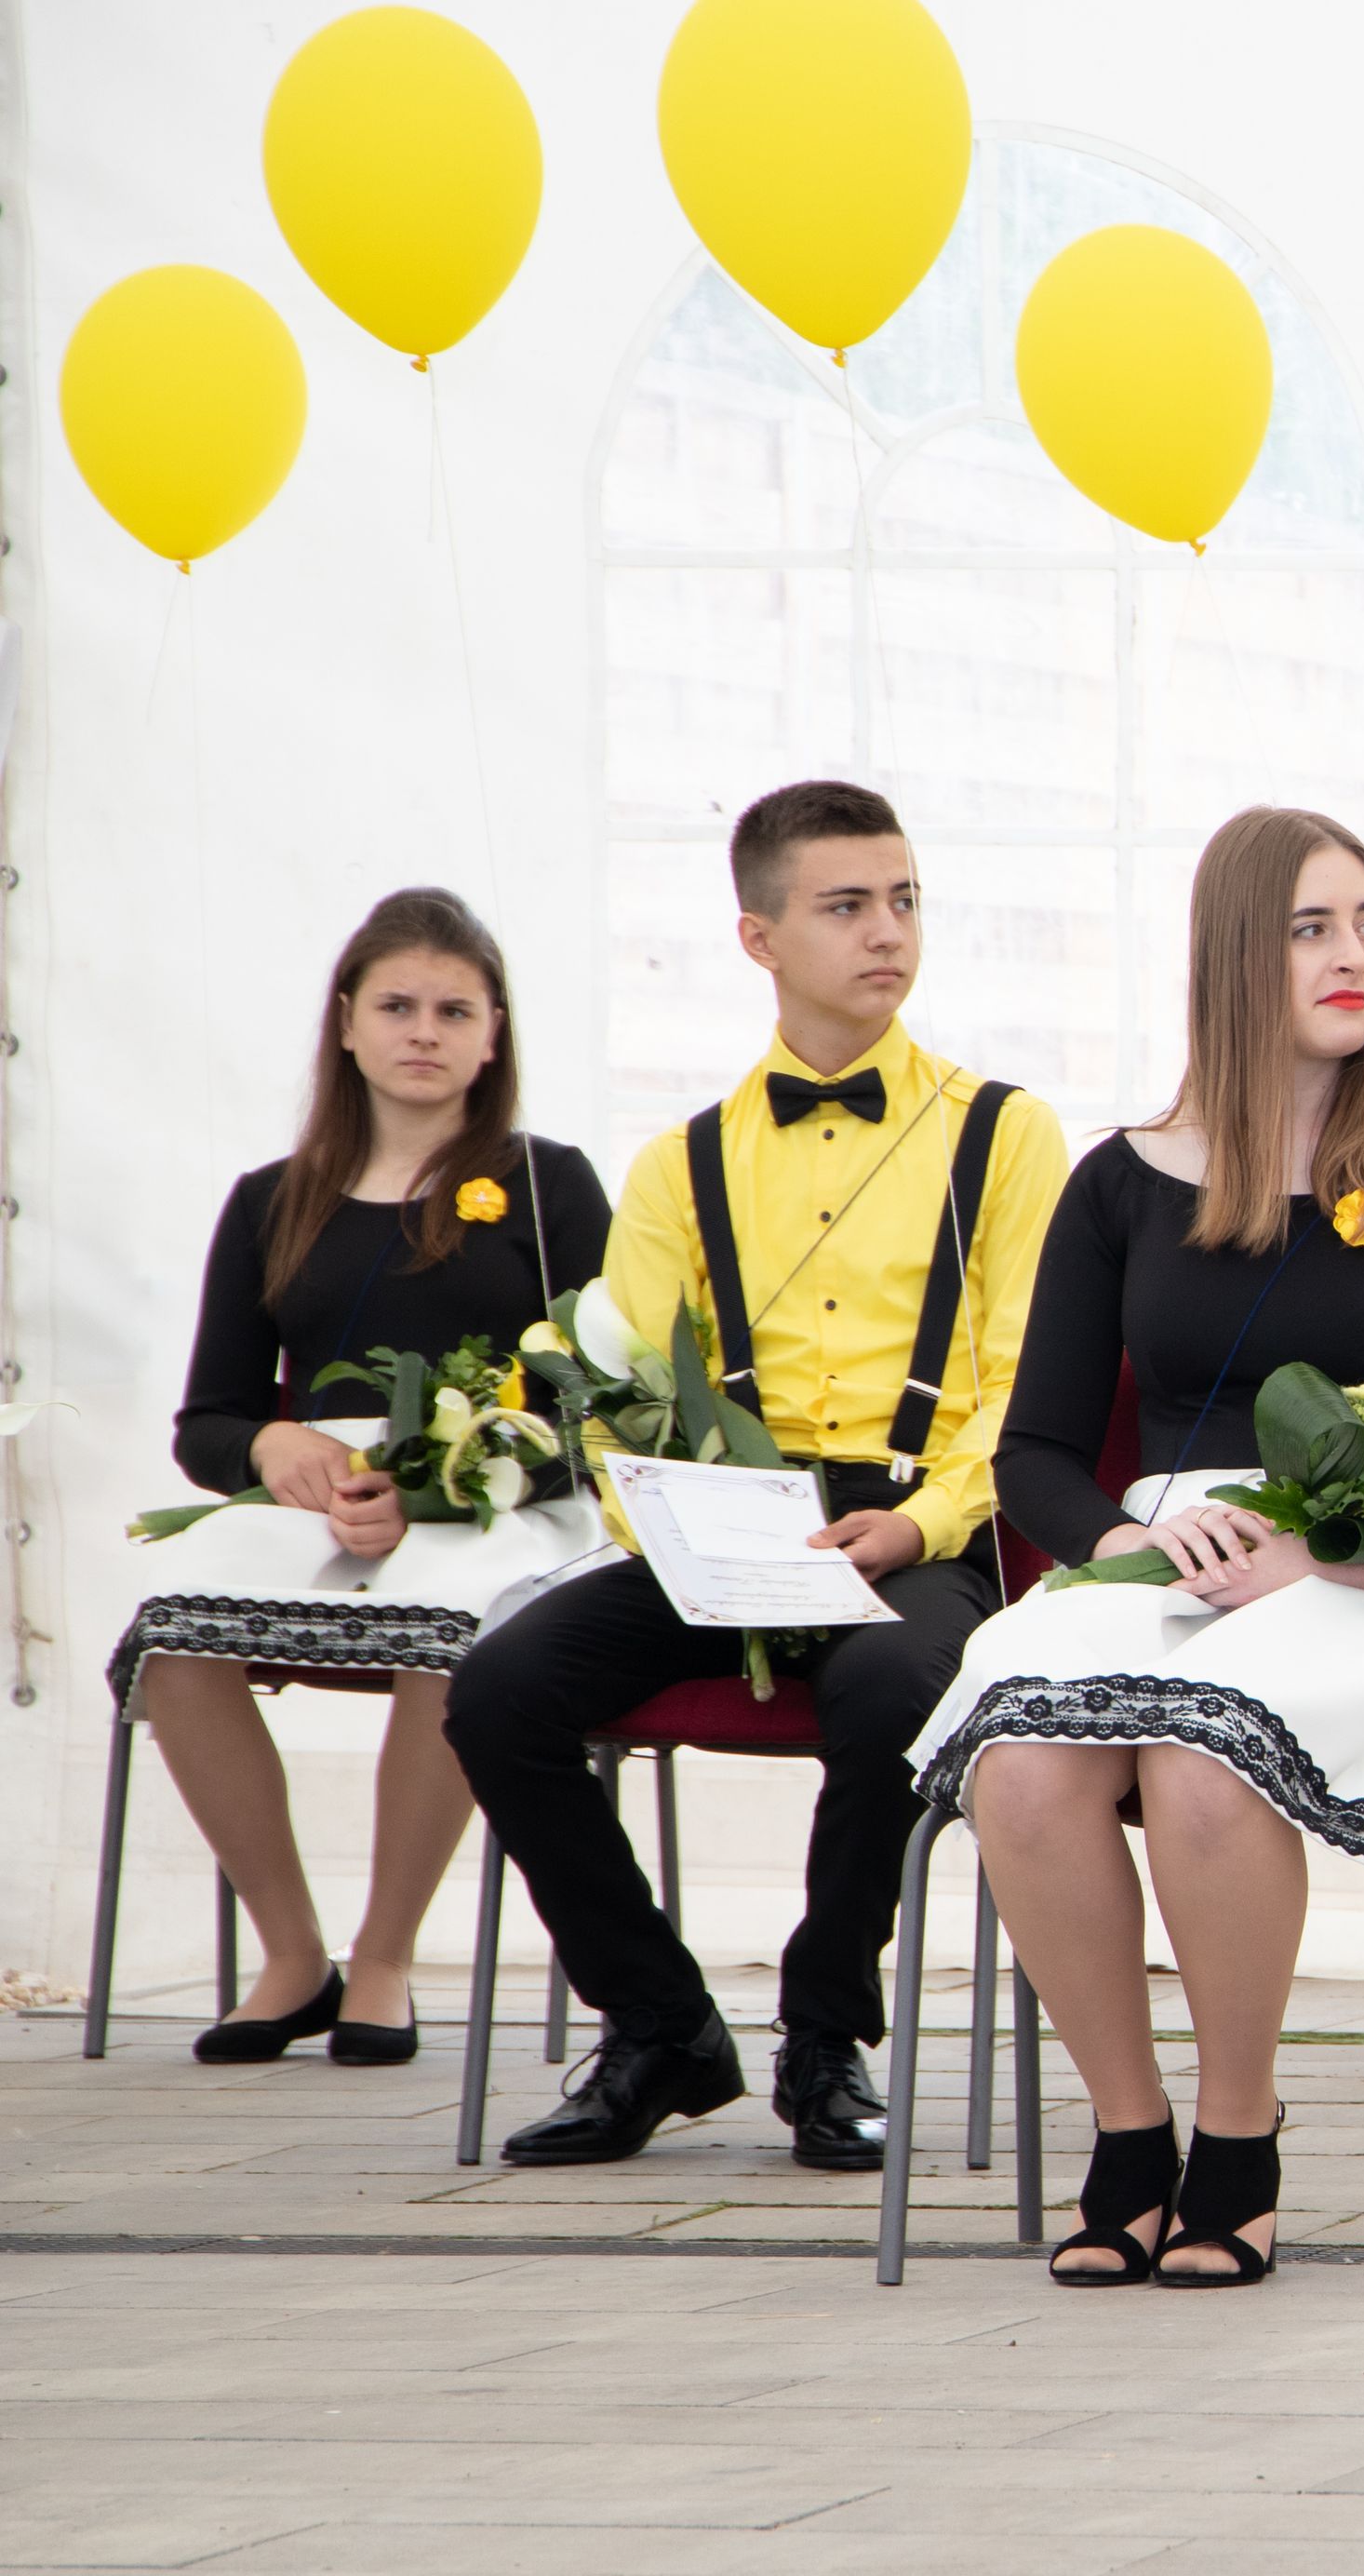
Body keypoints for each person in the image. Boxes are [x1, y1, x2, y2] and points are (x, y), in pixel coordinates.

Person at [904, 807, 1364, 2285]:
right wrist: (1140, 1529)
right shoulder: (1121, 1179)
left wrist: (1331, 1564)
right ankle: (1131, 2134)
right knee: (1024, 1760)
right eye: (1311, 928)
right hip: (1166, 1552)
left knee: (1199, 1754)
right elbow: (1033, 1456)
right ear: (1236, 954)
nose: (1351, 955)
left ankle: (1238, 2138)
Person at [445, 781, 1065, 2167]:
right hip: (730, 1532)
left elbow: (1029, 1390)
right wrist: (684, 1531)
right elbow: (613, 1399)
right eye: (846, 906)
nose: (887, 931)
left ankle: (826, 2031)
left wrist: (920, 1522)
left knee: (891, 1688)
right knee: (498, 1691)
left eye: (903, 901)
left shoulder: (1004, 1132)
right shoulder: (681, 1163)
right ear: (758, 937)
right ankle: (661, 2024)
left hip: (912, 1526)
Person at [118, 893, 610, 2066]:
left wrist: (460, 1475)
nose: (423, 1032)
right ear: (346, 1024)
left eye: (454, 1010)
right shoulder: (270, 1199)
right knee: (175, 1640)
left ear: (493, 1035)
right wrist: (272, 1448)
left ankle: (385, 1955)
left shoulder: (549, 1187)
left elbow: (598, 1405)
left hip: (496, 1503)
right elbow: (209, 1420)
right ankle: (293, 1956)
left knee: (451, 1640)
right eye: (396, 1006)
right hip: (318, 1503)